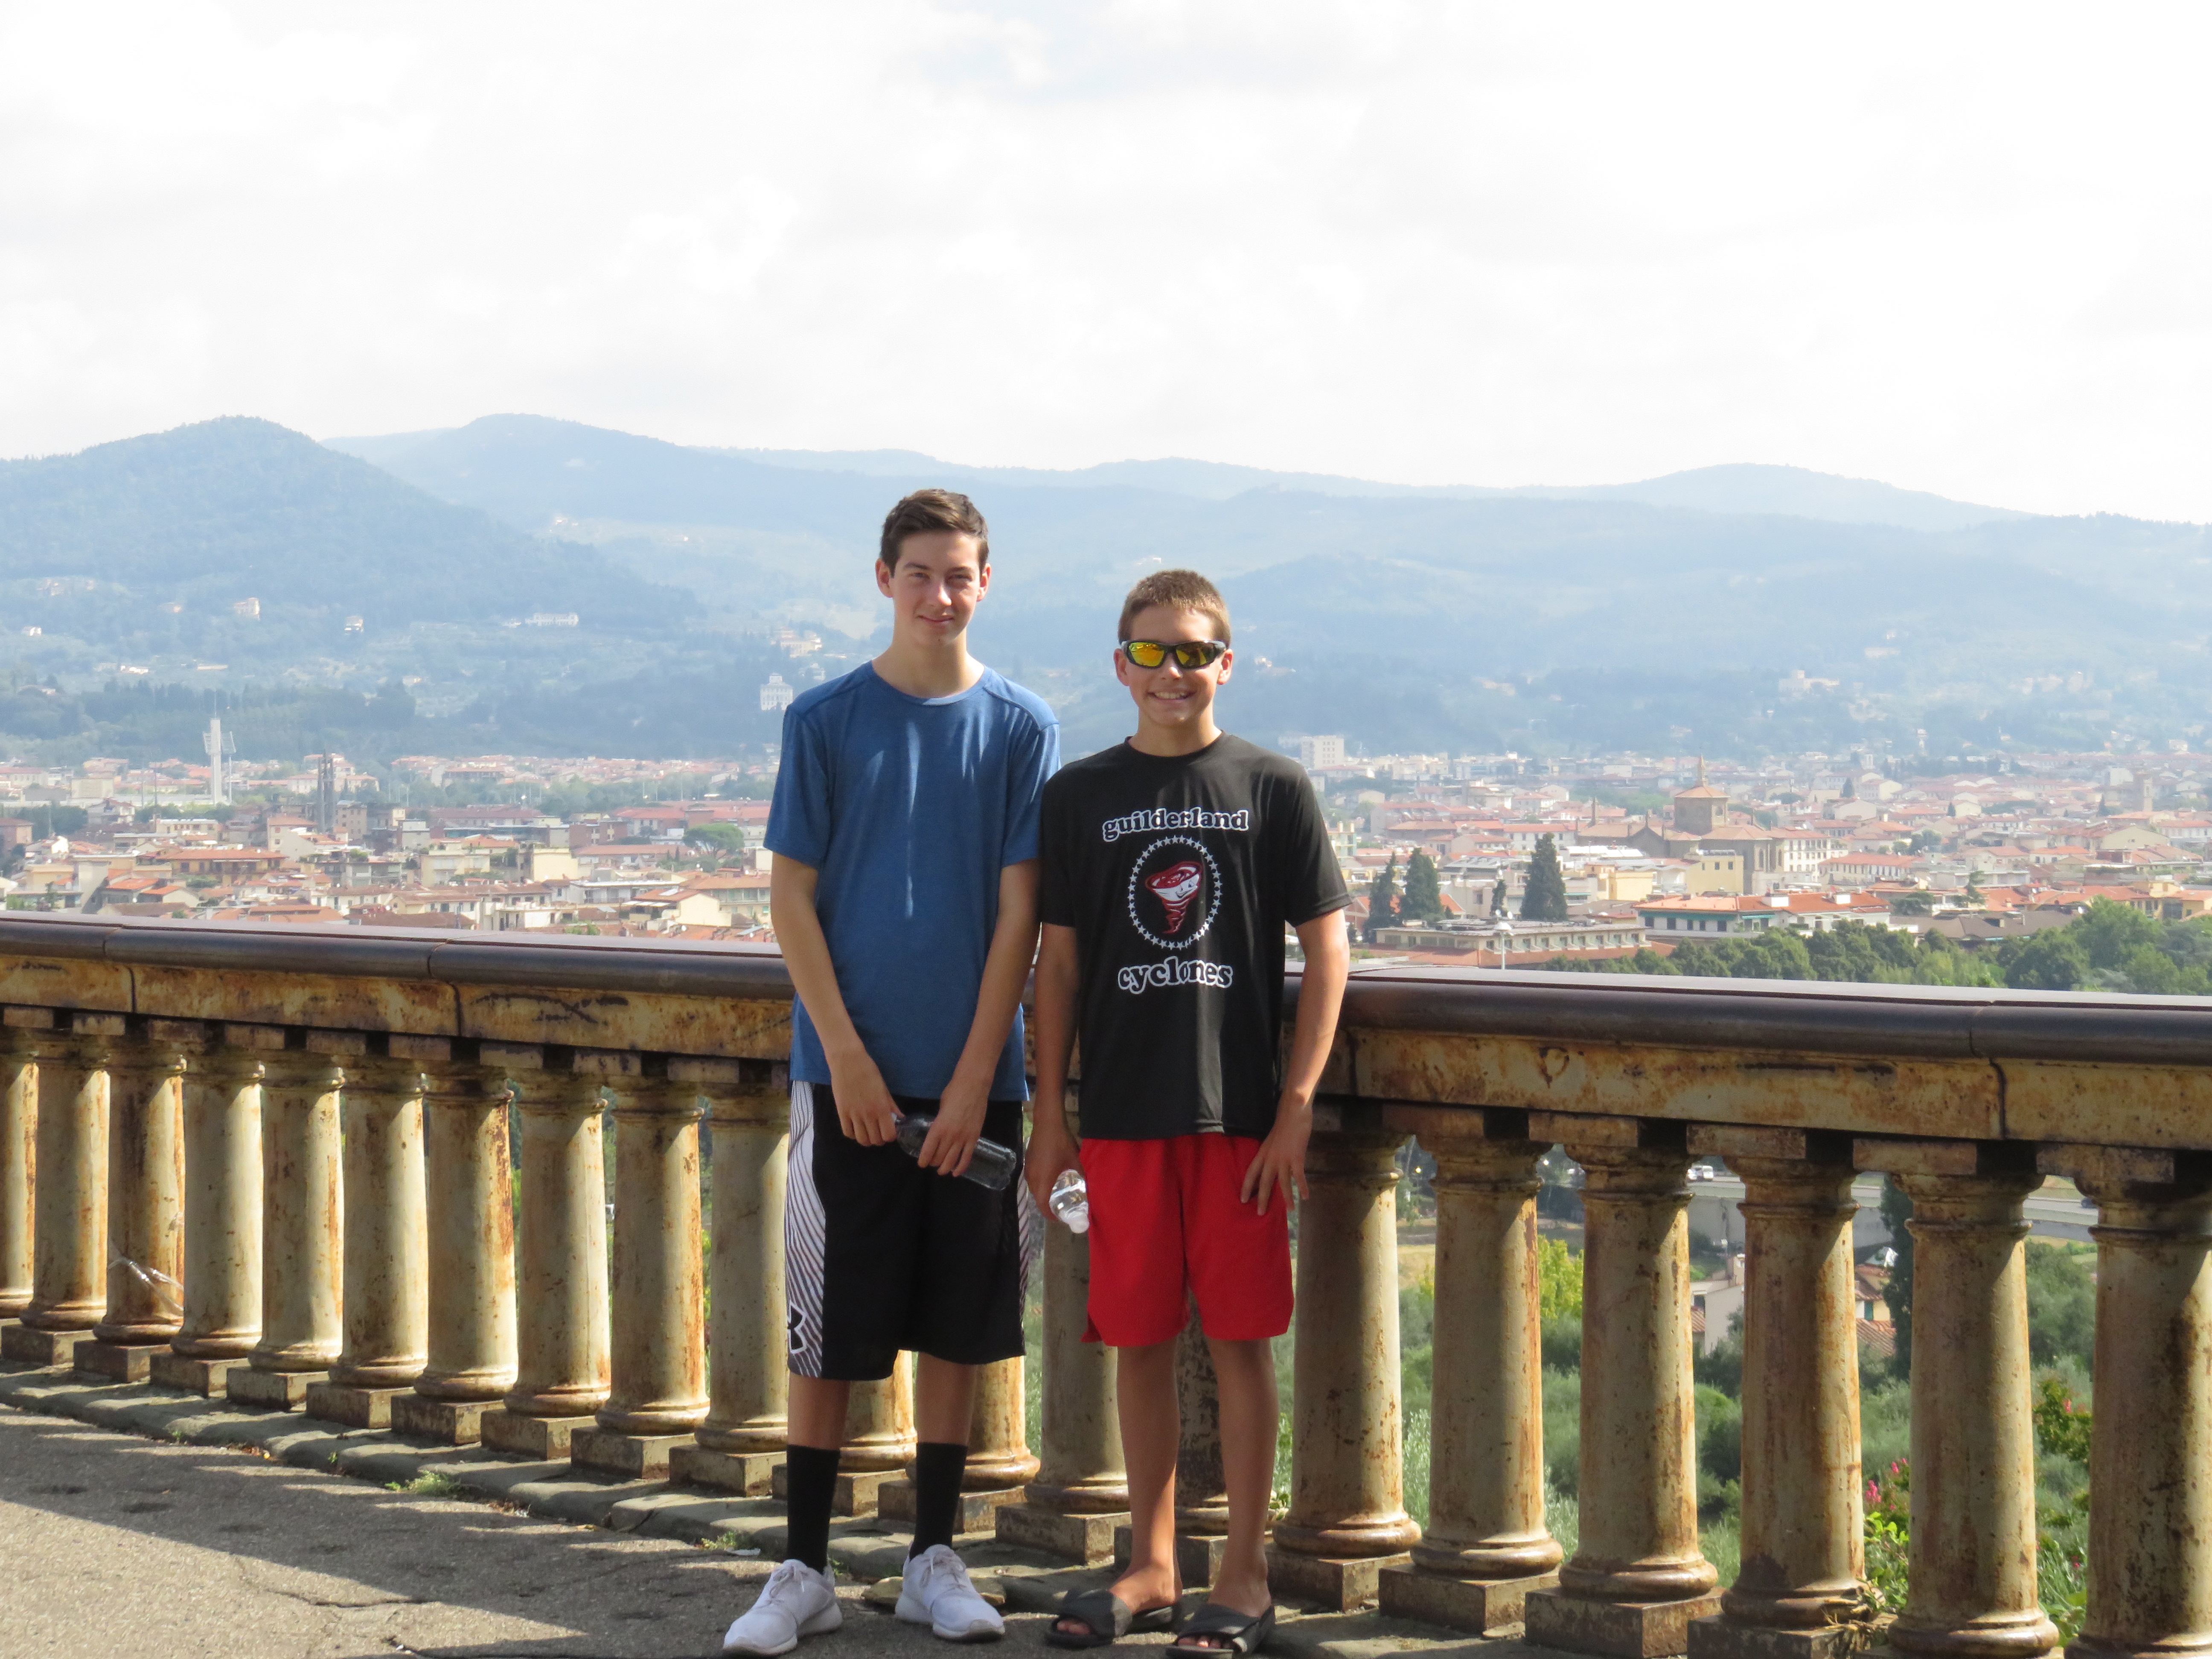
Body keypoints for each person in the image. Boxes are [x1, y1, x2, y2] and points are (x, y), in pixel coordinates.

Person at [723, 489, 1059, 1655]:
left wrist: (973, 1078)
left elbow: (1021, 913)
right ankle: (803, 1569)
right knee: (829, 1325)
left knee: (959, 1325)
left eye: (960, 575)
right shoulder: (823, 719)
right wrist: (849, 1059)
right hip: (844, 1076)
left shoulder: (1021, 726)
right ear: (884, 580)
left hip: (979, 1081)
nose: (940, 595)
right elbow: (791, 900)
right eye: (920, 573)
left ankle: (932, 1560)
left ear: (985, 583)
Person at [1027, 569, 1351, 1655]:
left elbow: (1330, 951)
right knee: (1139, 1342)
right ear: (1122, 666)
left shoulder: (1275, 788)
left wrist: (1296, 1105)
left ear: (1227, 664)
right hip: (1121, 1114)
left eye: (1194, 652)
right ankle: (1153, 1563)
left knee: (1243, 1343)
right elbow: (1058, 966)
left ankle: (1246, 1575)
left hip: (1239, 1120)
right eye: (1151, 651)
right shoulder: (1078, 795)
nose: (1173, 671)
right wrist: (1050, 1117)